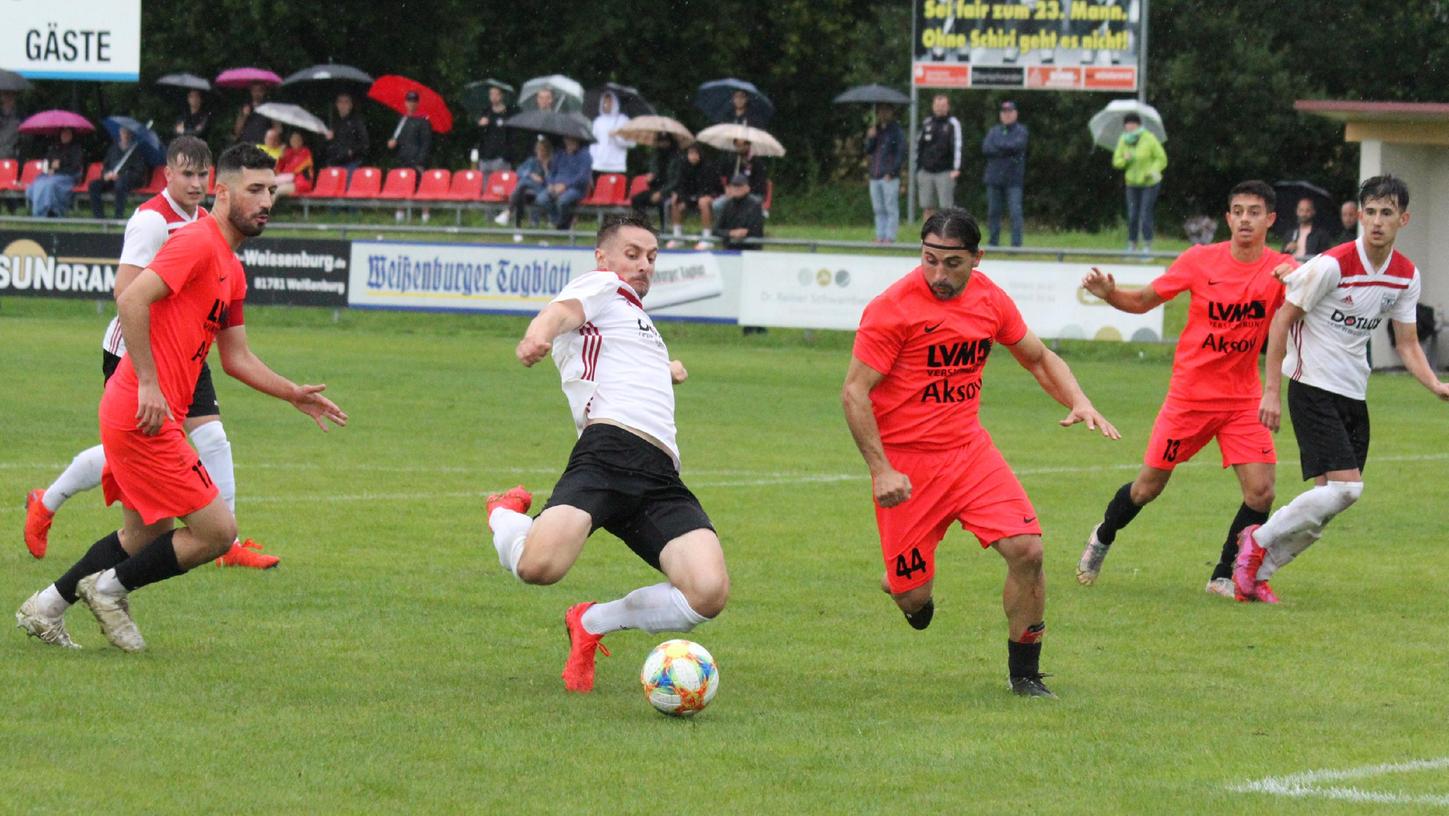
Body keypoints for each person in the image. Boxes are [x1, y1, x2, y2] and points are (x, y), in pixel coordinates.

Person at [15, 143, 348, 652]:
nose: (266, 201)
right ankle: (109, 590)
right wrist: (148, 381)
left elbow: (235, 357)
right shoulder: (195, 242)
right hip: (139, 409)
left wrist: (292, 393)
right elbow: (130, 298)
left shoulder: (232, 268)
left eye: (271, 191)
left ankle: (46, 606)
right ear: (223, 191)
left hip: (150, 413)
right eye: (254, 190)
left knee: (145, 534)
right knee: (217, 531)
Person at [841, 208, 1119, 698]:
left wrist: (1078, 399)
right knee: (914, 598)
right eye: (929, 260)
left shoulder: (990, 299)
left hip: (970, 454)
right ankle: (904, 587)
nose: (938, 275)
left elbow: (1038, 357)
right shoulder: (893, 308)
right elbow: (854, 393)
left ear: (977, 259)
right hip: (907, 468)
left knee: (1028, 550)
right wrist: (881, 470)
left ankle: (1026, 675)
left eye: (952, 263)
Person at [487, 213, 728, 693]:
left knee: (708, 592)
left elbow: (628, 363)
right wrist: (538, 334)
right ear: (603, 257)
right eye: (632, 254)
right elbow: (562, 313)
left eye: (652, 257)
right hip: (607, 454)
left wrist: (669, 368)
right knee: (539, 568)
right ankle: (503, 515)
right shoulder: (602, 286)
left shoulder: (638, 321)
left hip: (660, 475)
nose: (643, 265)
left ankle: (591, 622)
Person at [24, 136, 281, 570]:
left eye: (203, 174)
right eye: (187, 173)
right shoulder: (151, 221)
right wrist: (151, 365)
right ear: (168, 174)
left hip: (188, 350)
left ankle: (227, 542)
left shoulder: (207, 221)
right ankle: (47, 501)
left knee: (211, 439)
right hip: (138, 352)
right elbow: (127, 292)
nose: (196, 183)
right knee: (131, 445)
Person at [1234, 175, 1449, 603]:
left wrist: (1435, 385)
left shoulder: (1405, 276)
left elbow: (1406, 343)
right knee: (1347, 488)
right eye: (1369, 212)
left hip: (1353, 391)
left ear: (1403, 219)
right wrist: (1271, 390)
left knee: (1330, 500)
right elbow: (1281, 321)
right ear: (1360, 216)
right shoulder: (1332, 265)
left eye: (1386, 213)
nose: (1376, 222)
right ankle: (1256, 541)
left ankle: (1257, 575)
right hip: (1311, 385)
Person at [1075, 181, 1293, 598]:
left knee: (1261, 491)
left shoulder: (1282, 268)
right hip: (1190, 397)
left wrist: (1300, 277)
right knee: (1147, 488)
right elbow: (1142, 301)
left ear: (1270, 220)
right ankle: (1103, 535)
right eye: (1238, 211)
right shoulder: (1199, 261)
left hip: (1242, 398)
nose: (1245, 218)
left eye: (1254, 211)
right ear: (1228, 219)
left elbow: (1306, 297)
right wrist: (1109, 295)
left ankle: (1223, 575)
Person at [1113, 112, 1167, 254]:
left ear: (1137, 124)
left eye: (1132, 123)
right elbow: (1116, 162)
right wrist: (1126, 159)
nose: (1129, 126)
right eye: (1127, 124)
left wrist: (1152, 170)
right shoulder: (1123, 140)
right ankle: (1132, 244)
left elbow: (1161, 158)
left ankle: (1147, 245)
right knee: (1132, 215)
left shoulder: (1149, 138)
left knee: (1145, 214)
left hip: (1150, 183)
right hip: (1132, 183)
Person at [981, 100, 1028, 248]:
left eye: (1010, 112)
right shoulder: (994, 131)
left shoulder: (1021, 131)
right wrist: (1006, 148)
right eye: (1004, 112)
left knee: (1015, 212)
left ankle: (1016, 245)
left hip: (1014, 180)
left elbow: (1017, 146)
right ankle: (993, 242)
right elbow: (986, 148)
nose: (1007, 115)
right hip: (994, 179)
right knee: (993, 212)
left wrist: (1000, 146)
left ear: (1015, 113)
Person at [916, 94, 962, 221]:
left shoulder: (953, 123)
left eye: (943, 106)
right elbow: (919, 145)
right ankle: (927, 237)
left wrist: (956, 168)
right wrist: (918, 168)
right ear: (933, 106)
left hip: (945, 172)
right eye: (937, 105)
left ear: (948, 107)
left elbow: (957, 146)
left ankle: (946, 238)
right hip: (926, 171)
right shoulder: (927, 122)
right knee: (927, 207)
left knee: (946, 208)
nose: (940, 108)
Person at [89, 127, 150, 220]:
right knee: (94, 185)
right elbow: (106, 165)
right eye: (123, 133)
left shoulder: (135, 151)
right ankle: (99, 217)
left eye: (127, 133)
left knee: (120, 185)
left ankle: (118, 216)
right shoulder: (113, 149)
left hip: (127, 181)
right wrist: (106, 174)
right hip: (111, 179)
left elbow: (139, 171)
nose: (125, 135)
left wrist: (122, 175)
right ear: (120, 134)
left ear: (130, 135)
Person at [865, 104, 905, 244]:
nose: (883, 114)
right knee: (878, 208)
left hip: (889, 176)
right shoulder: (876, 130)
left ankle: (889, 237)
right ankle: (880, 235)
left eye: (886, 111)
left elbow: (900, 153)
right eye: (880, 111)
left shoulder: (896, 131)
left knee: (890, 207)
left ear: (891, 112)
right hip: (875, 175)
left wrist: (892, 172)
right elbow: (869, 150)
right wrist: (870, 138)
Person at [666, 143, 720, 248]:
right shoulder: (683, 166)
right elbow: (681, 185)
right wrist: (682, 198)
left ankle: (707, 238)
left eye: (695, 154)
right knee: (675, 201)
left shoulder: (708, 167)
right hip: (689, 198)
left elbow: (709, 188)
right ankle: (677, 237)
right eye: (691, 153)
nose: (693, 156)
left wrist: (694, 199)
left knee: (703, 202)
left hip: (707, 196)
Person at [533, 135, 591, 230]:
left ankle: (562, 226)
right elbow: (551, 172)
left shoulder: (585, 155)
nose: (571, 142)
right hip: (555, 186)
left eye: (573, 140)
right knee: (541, 199)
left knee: (563, 201)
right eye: (569, 140)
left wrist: (565, 185)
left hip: (575, 188)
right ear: (565, 140)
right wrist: (550, 183)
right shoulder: (559, 154)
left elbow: (583, 177)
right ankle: (558, 222)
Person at [26, 128, 85, 217]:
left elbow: (75, 168)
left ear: (72, 135)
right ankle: (41, 210)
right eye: (63, 133)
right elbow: (47, 162)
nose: (64, 136)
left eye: (67, 134)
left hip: (68, 177)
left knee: (49, 185)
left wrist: (60, 165)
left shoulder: (76, 149)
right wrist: (51, 166)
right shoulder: (55, 147)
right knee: (37, 184)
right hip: (52, 175)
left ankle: (45, 212)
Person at [629, 132, 680, 228]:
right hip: (655, 189)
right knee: (636, 199)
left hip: (670, 191)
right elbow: (653, 178)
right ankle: (642, 225)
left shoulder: (676, 159)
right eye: (660, 142)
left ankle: (663, 230)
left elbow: (676, 181)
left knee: (661, 202)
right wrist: (650, 179)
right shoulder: (655, 157)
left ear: (670, 142)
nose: (663, 144)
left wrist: (661, 192)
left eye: (665, 142)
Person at [504, 136, 553, 228]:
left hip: (544, 190)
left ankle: (509, 213)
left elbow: (551, 181)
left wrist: (546, 170)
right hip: (530, 191)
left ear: (547, 152)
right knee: (521, 189)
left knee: (522, 184)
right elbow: (519, 171)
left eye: (542, 150)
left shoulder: (552, 163)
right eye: (538, 150)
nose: (540, 153)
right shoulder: (532, 161)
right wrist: (531, 175)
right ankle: (522, 225)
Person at [710, 173, 763, 250]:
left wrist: (745, 233)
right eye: (734, 186)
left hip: (750, 250)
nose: (736, 189)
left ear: (747, 188)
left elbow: (757, 231)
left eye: (740, 186)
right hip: (730, 250)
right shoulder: (727, 205)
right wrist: (731, 233)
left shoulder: (755, 205)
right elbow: (715, 230)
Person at [589, 90, 631, 180]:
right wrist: (592, 160)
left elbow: (631, 143)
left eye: (609, 101)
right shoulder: (597, 121)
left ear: (615, 103)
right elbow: (593, 143)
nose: (606, 104)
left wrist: (616, 136)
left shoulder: (623, 120)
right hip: (598, 165)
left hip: (616, 166)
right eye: (605, 101)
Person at [322, 93, 369, 173]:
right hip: (333, 163)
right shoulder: (331, 122)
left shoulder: (357, 121)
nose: (343, 105)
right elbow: (323, 147)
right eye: (340, 102)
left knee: (348, 185)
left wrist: (352, 151)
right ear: (336, 104)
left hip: (351, 164)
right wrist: (327, 139)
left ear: (351, 105)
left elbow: (365, 143)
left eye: (346, 102)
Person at [474, 85, 513, 173]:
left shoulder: (508, 113)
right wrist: (480, 125)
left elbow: (512, 135)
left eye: (496, 94)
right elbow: (477, 135)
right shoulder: (486, 112)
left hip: (501, 158)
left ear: (501, 96)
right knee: (485, 186)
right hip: (485, 157)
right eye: (491, 94)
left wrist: (506, 155)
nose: (494, 97)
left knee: (500, 186)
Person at [1281, 196, 1332, 261]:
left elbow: (1326, 257)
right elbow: (1282, 257)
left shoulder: (1321, 235)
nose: (1304, 214)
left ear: (1313, 212)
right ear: (1297, 211)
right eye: (1301, 210)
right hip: (1292, 269)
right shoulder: (1290, 234)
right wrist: (1287, 249)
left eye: (1307, 210)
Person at [273, 130, 314, 199]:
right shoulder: (287, 152)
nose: (295, 141)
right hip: (286, 181)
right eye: (293, 139)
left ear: (302, 141)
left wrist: (283, 176)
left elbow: (295, 171)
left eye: (298, 139)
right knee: (267, 190)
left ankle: (264, 209)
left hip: (301, 183)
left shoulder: (306, 152)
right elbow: (278, 170)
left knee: (276, 191)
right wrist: (281, 157)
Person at [0, 90, 22, 160]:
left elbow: (22, 142)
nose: (8, 98)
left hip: (10, 161)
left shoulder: (19, 119)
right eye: (6, 95)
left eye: (11, 95)